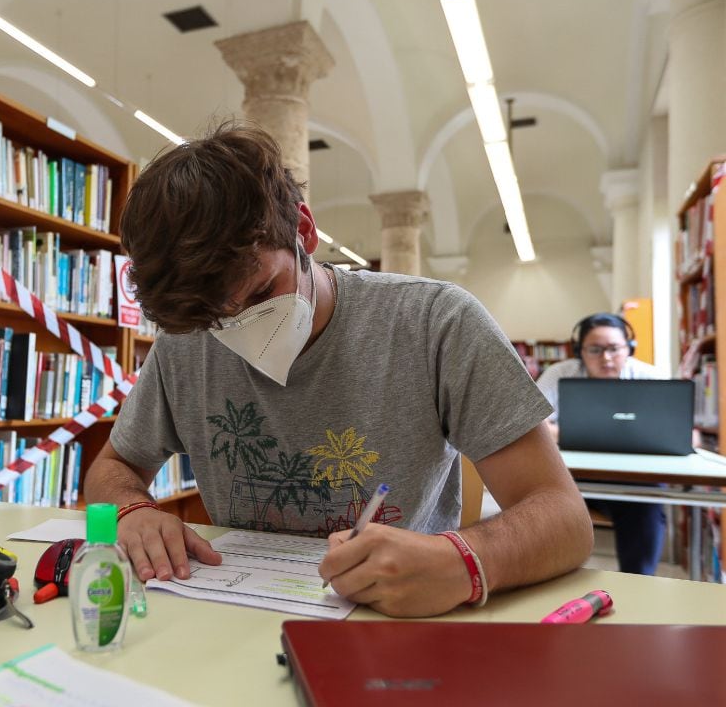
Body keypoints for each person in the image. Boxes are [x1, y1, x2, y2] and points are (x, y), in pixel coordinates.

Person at [83, 123, 593, 618]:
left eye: (262, 293)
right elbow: (113, 468)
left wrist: (465, 558)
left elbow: (564, 519)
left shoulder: (436, 322)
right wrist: (133, 512)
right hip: (242, 611)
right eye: (218, 318)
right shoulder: (186, 339)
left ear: (303, 231)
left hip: (398, 615)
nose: (242, 326)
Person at [535, 313, 667, 575]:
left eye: (614, 349)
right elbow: (534, 426)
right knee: (540, 502)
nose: (605, 358)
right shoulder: (560, 374)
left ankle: (638, 582)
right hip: (572, 478)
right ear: (579, 351)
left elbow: (678, 430)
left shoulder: (648, 376)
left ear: (629, 348)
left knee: (646, 505)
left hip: (635, 480)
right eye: (595, 350)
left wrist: (572, 431)